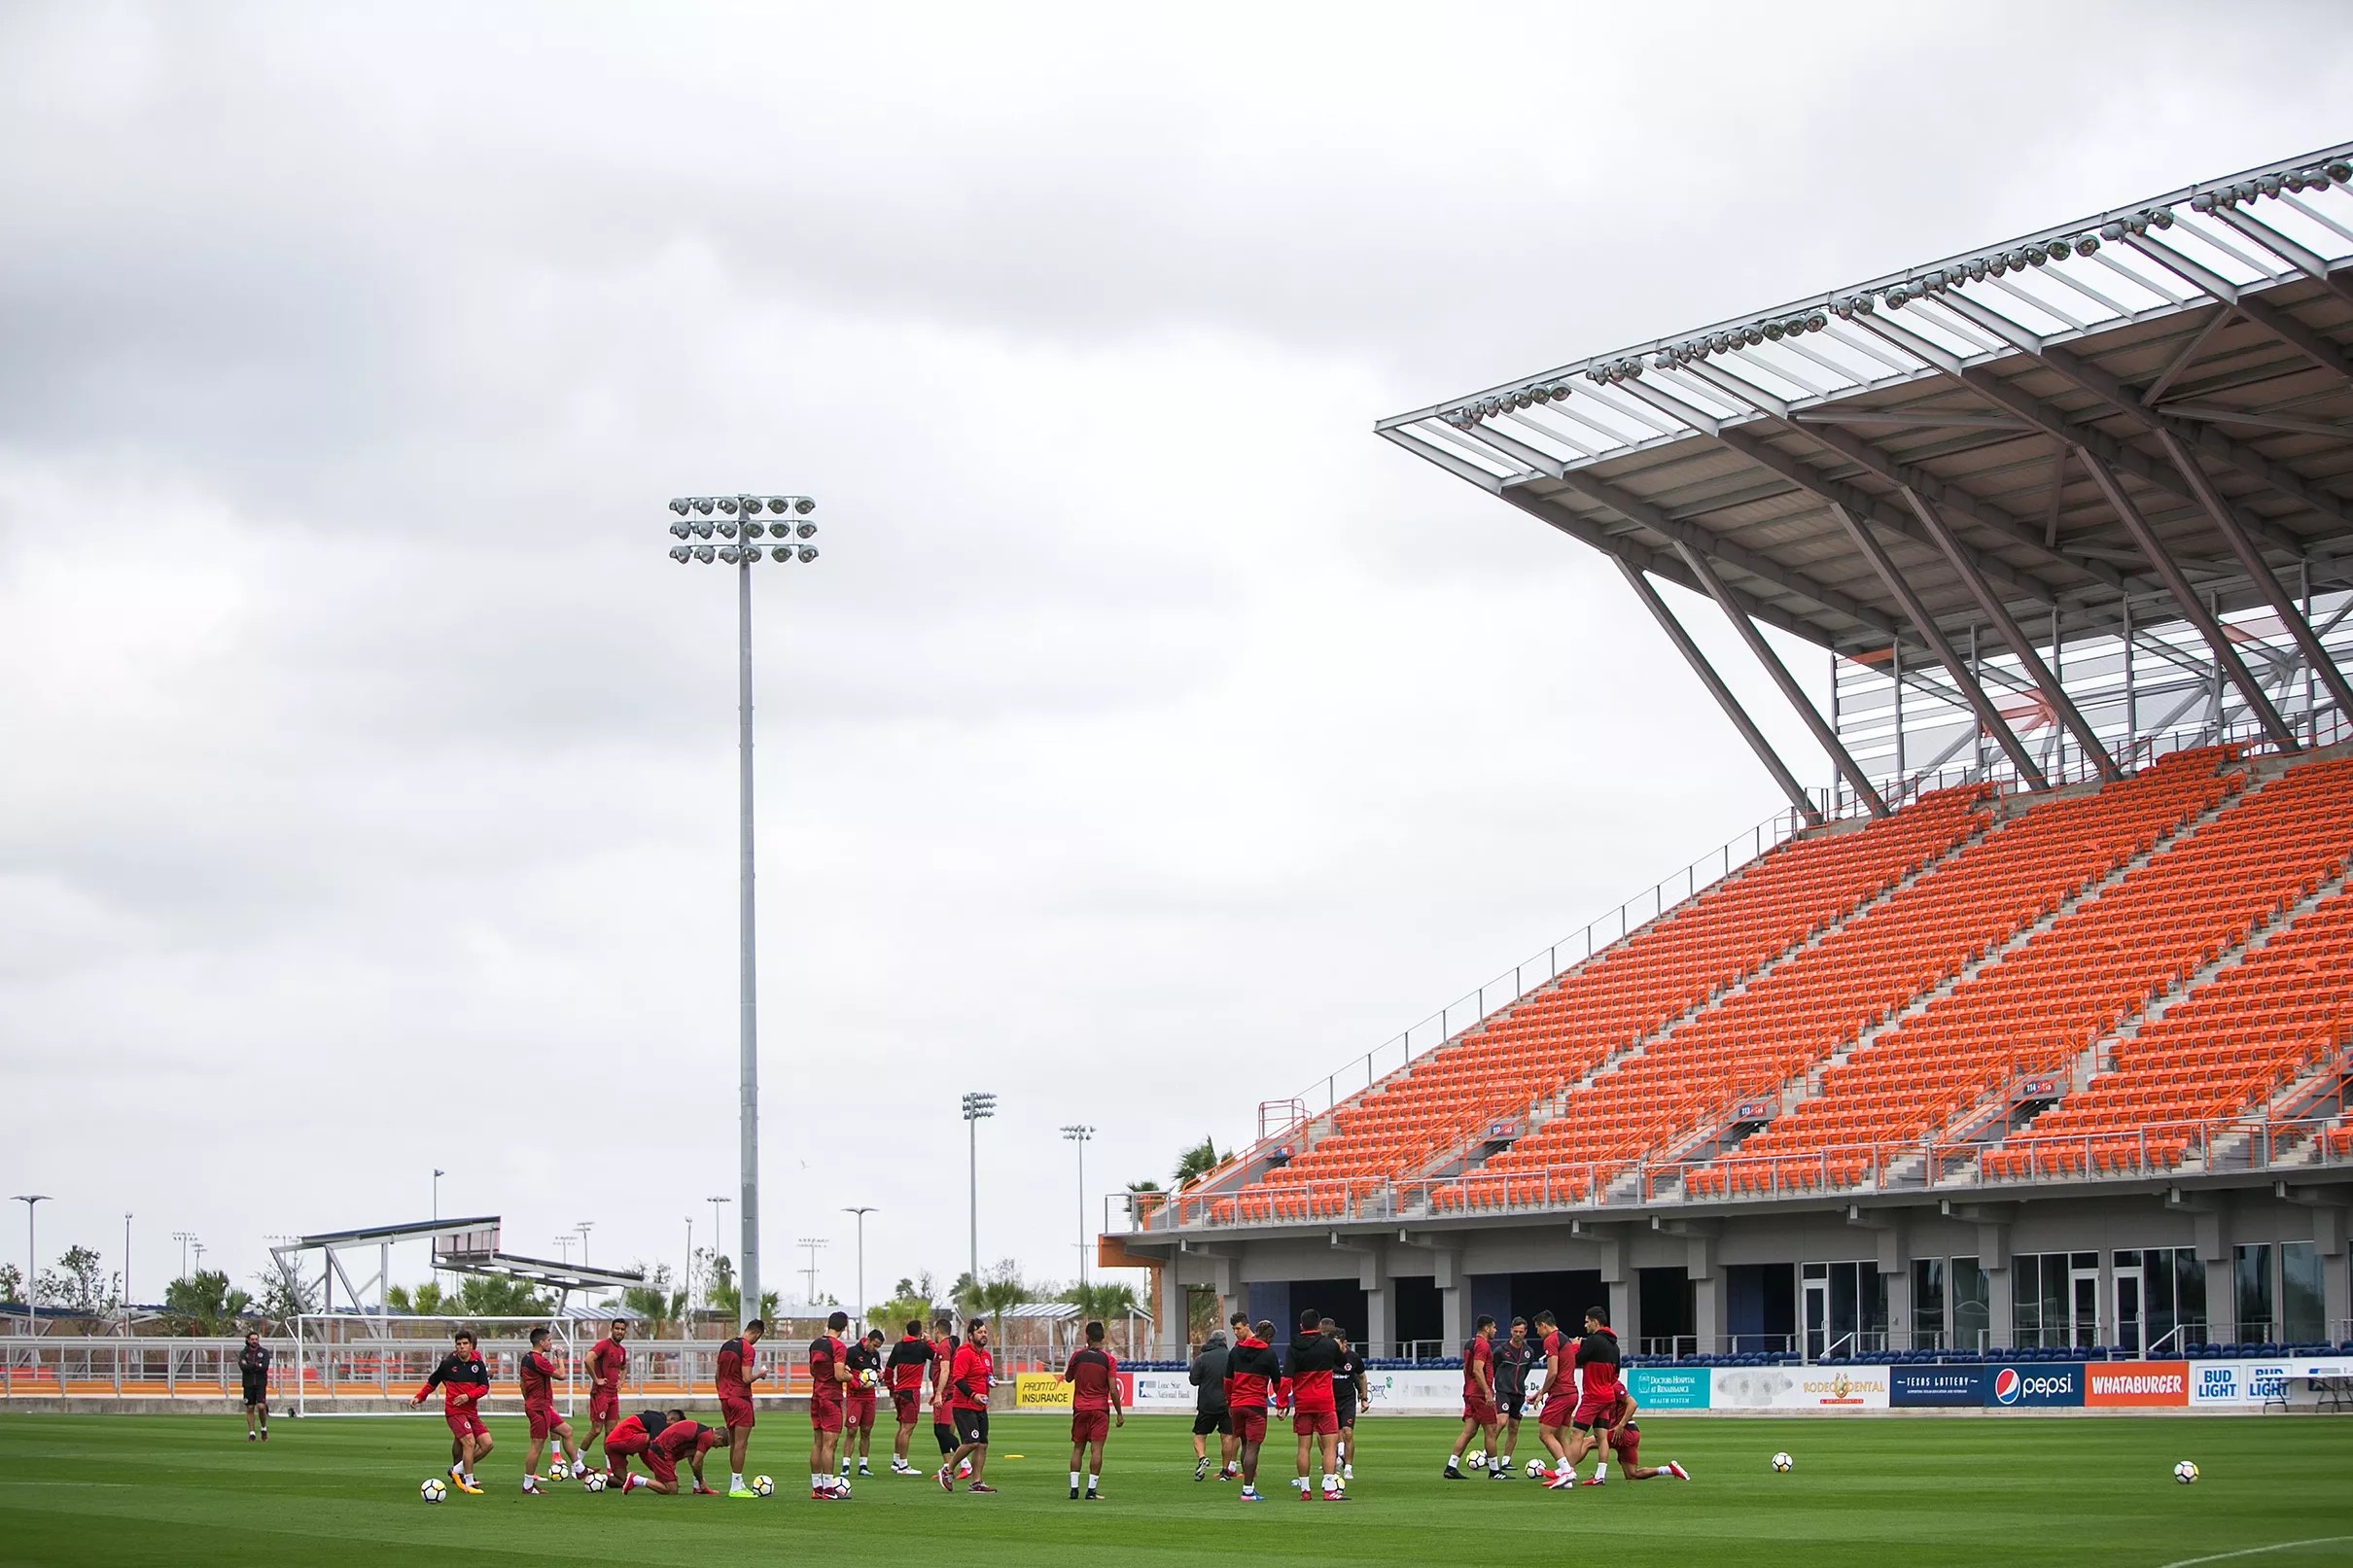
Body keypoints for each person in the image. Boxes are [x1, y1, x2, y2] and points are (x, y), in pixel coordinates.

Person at [1545, 1306, 1623, 1490]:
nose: (1585, 1324)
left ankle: (1567, 1472)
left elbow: (1576, 1360)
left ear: (1595, 1322)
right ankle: (1600, 1476)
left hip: (1593, 1396)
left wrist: (1574, 1346)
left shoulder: (1593, 1341)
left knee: (1576, 1434)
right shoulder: (1615, 1346)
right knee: (1601, 1436)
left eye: (1587, 1321)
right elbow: (1616, 1374)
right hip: (1607, 1395)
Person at [410, 1330, 493, 1494]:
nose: (462, 1347)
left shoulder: (478, 1364)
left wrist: (468, 1396)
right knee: (469, 1442)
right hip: (454, 1411)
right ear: (455, 1346)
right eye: (459, 1344)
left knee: (487, 1444)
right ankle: (468, 1482)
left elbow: (484, 1387)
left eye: (465, 1344)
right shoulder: (448, 1364)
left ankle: (456, 1470)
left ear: (471, 1346)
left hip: (471, 1411)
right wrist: (419, 1397)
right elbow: (432, 1382)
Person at [1060, 1318, 1123, 1500]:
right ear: (1102, 1337)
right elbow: (1113, 1388)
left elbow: (1068, 1378)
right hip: (1100, 1410)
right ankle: (1090, 1490)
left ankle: (1073, 1489)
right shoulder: (1108, 1360)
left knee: (1078, 1448)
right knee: (1097, 1450)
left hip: (1080, 1408)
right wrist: (1119, 1413)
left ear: (1087, 1337)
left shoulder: (1077, 1356)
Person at [1285, 1307, 1345, 1502]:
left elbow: (1286, 1377)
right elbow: (1342, 1361)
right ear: (1319, 1326)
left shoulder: (1293, 1347)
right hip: (1324, 1402)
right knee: (1330, 1446)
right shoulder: (1329, 1345)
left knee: (1303, 1447)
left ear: (1301, 1326)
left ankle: (1305, 1489)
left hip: (1303, 1402)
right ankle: (1329, 1488)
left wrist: (1282, 1402)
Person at [518, 1326, 584, 1492]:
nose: (551, 1343)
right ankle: (527, 1485)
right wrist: (559, 1357)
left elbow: (522, 1384)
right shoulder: (538, 1360)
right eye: (549, 1341)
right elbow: (561, 1375)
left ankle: (579, 1469)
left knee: (567, 1431)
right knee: (537, 1445)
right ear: (541, 1342)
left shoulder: (526, 1358)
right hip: (539, 1408)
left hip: (541, 1406)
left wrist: (529, 1400)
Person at [1222, 1319, 1281, 1503]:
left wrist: (1230, 1402)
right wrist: (1282, 1401)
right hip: (1255, 1405)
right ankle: (1247, 1490)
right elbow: (1277, 1382)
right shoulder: (1269, 1353)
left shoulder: (1236, 1350)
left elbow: (1227, 1381)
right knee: (1253, 1448)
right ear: (1269, 1337)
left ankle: (1249, 1487)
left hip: (1237, 1404)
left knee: (1245, 1444)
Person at [936, 1316, 997, 1494]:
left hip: (981, 1406)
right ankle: (947, 1469)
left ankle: (976, 1482)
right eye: (980, 1332)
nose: (984, 1335)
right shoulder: (964, 1352)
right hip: (964, 1406)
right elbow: (958, 1379)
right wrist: (973, 1395)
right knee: (971, 1442)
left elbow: (987, 1375)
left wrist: (991, 1381)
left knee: (982, 1444)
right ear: (971, 1335)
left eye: (985, 1332)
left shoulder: (986, 1356)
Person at [1444, 1315, 1501, 1480]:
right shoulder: (1483, 1345)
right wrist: (1487, 1391)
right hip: (1479, 1394)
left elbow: (1465, 1370)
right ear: (1487, 1328)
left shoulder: (1470, 1343)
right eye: (1494, 1327)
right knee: (1491, 1430)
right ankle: (1494, 1471)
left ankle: (1451, 1466)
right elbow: (1478, 1370)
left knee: (1469, 1431)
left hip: (1469, 1392)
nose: (1495, 1331)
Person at [716, 1317, 767, 1499]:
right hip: (740, 1398)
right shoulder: (747, 1348)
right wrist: (759, 1375)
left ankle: (735, 1483)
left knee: (733, 1441)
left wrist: (722, 1394)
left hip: (725, 1398)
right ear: (758, 1334)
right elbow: (746, 1378)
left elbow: (717, 1375)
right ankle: (736, 1486)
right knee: (741, 1443)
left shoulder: (726, 1345)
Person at [808, 1309, 854, 1500]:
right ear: (844, 1327)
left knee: (818, 1443)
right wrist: (852, 1377)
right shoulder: (839, 1346)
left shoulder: (815, 1344)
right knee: (830, 1444)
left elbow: (813, 1371)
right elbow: (838, 1375)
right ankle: (828, 1488)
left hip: (816, 1396)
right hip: (831, 1398)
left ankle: (817, 1487)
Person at [885, 1318, 939, 1476]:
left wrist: (891, 1388)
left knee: (902, 1427)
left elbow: (889, 1370)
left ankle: (896, 1461)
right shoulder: (922, 1347)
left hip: (899, 1391)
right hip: (911, 1391)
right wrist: (929, 1341)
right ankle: (903, 1465)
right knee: (908, 1429)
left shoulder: (898, 1346)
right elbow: (938, 1356)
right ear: (920, 1332)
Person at [1602, 1388, 1689, 1482]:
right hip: (1631, 1432)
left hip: (1625, 1432)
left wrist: (1621, 1425)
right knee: (1632, 1475)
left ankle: (1598, 1477)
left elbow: (1633, 1403)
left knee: (1588, 1442)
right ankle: (1668, 1469)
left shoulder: (1614, 1384)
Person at [1530, 1309, 1576, 1479]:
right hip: (1571, 1393)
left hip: (1561, 1395)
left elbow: (1553, 1372)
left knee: (1545, 1433)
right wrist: (1540, 1392)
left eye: (1537, 1328)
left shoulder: (1551, 1340)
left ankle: (1566, 1471)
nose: (1538, 1332)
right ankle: (1569, 1472)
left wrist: (1542, 1392)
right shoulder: (1565, 1339)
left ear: (1543, 1325)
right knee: (1560, 1436)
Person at [580, 1317, 630, 1473]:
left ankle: (610, 1468)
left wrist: (621, 1381)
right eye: (617, 1328)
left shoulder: (621, 1350)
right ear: (611, 1329)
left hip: (613, 1395)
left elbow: (623, 1367)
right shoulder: (604, 1345)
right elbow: (588, 1359)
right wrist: (596, 1379)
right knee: (596, 1430)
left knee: (611, 1433)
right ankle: (577, 1463)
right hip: (600, 1394)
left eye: (622, 1329)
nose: (619, 1331)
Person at [1491, 1316, 1534, 1479]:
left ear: (1525, 1332)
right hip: (1503, 1391)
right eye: (1515, 1331)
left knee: (1514, 1427)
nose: (1517, 1334)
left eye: (1521, 1332)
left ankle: (1506, 1461)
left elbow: (1526, 1371)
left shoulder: (1529, 1352)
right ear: (1510, 1331)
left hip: (1519, 1393)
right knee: (1501, 1421)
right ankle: (1487, 1454)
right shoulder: (1500, 1351)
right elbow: (1493, 1370)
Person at [599, 1407, 681, 1493]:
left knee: (621, 1480)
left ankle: (599, 1477)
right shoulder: (660, 1422)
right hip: (623, 1439)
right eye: (676, 1426)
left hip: (610, 1444)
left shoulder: (650, 1418)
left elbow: (646, 1454)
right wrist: (668, 1475)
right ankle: (636, 1478)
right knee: (658, 1442)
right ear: (671, 1419)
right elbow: (655, 1448)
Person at [1187, 1330, 1233, 1481]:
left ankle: (1202, 1458)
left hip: (1207, 1402)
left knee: (1200, 1435)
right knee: (1227, 1436)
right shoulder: (1231, 1356)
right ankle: (1225, 1471)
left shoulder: (1202, 1358)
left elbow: (1193, 1380)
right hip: (1227, 1402)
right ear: (1225, 1341)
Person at [842, 1328, 884, 1478]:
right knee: (852, 1430)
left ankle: (863, 1465)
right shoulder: (852, 1352)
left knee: (866, 1431)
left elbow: (877, 1373)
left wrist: (880, 1376)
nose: (875, 1349)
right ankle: (845, 1466)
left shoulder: (875, 1355)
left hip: (869, 1397)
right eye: (874, 1345)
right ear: (867, 1339)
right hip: (855, 1396)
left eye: (878, 1347)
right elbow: (845, 1372)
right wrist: (856, 1384)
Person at [1329, 1324, 1369, 1481]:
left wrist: (1364, 1398)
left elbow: (1361, 1376)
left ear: (1345, 1343)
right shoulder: (1328, 1357)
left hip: (1347, 1400)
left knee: (1348, 1432)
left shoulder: (1353, 1357)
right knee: (1331, 1436)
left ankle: (1348, 1468)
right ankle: (1335, 1460)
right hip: (1330, 1400)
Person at [928, 1317, 966, 1476]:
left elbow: (945, 1370)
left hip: (947, 1393)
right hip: (946, 1392)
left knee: (943, 1431)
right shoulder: (946, 1345)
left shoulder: (944, 1346)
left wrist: (939, 1393)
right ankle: (947, 1467)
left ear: (937, 1330)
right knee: (939, 1431)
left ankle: (965, 1464)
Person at [238, 1331, 271, 1443]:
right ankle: (252, 1432)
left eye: (256, 1339)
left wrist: (251, 1366)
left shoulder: (264, 1352)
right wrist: (256, 1365)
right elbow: (243, 1367)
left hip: (260, 1383)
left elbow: (265, 1367)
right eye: (252, 1339)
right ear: (248, 1340)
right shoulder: (244, 1353)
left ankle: (263, 1428)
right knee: (250, 1408)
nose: (254, 1341)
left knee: (261, 1407)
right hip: (248, 1384)